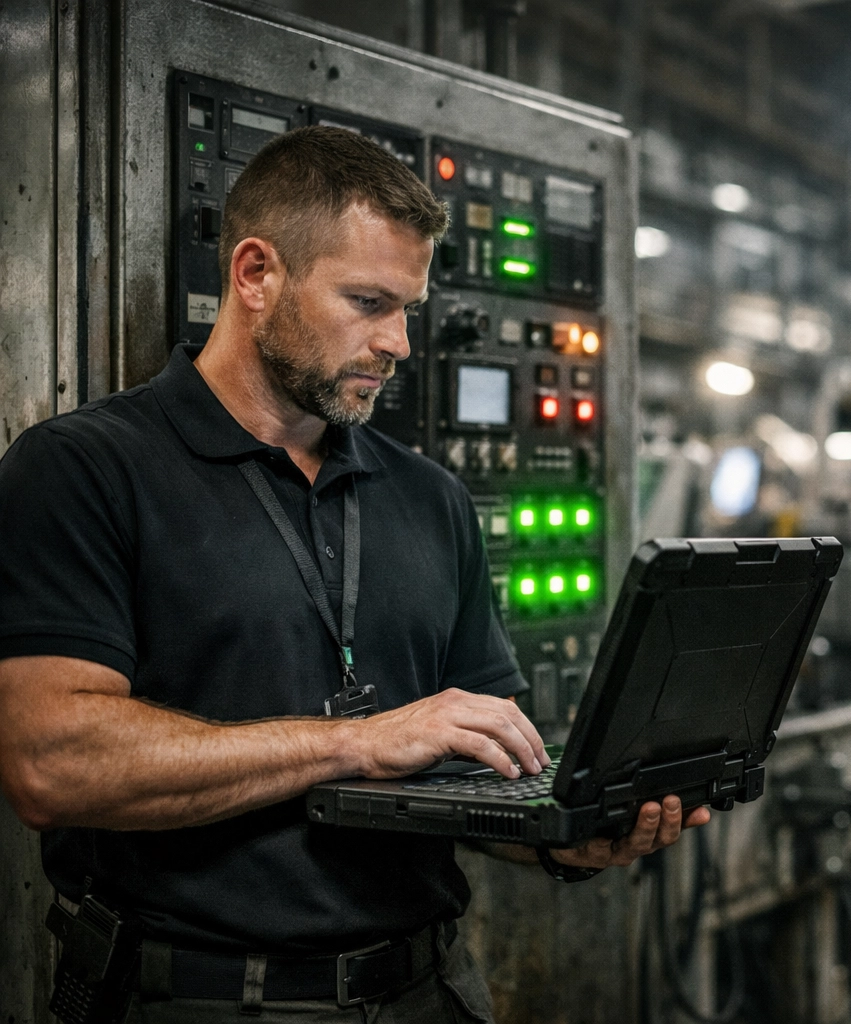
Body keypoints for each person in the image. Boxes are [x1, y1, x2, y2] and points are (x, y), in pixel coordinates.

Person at [0, 125, 707, 1021]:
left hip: (428, 990)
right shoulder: (85, 469)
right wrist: (354, 742)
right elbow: (48, 763)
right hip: (199, 998)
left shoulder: (430, 498)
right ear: (256, 274)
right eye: (368, 302)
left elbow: (472, 776)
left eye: (408, 307)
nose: (399, 343)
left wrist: (566, 834)